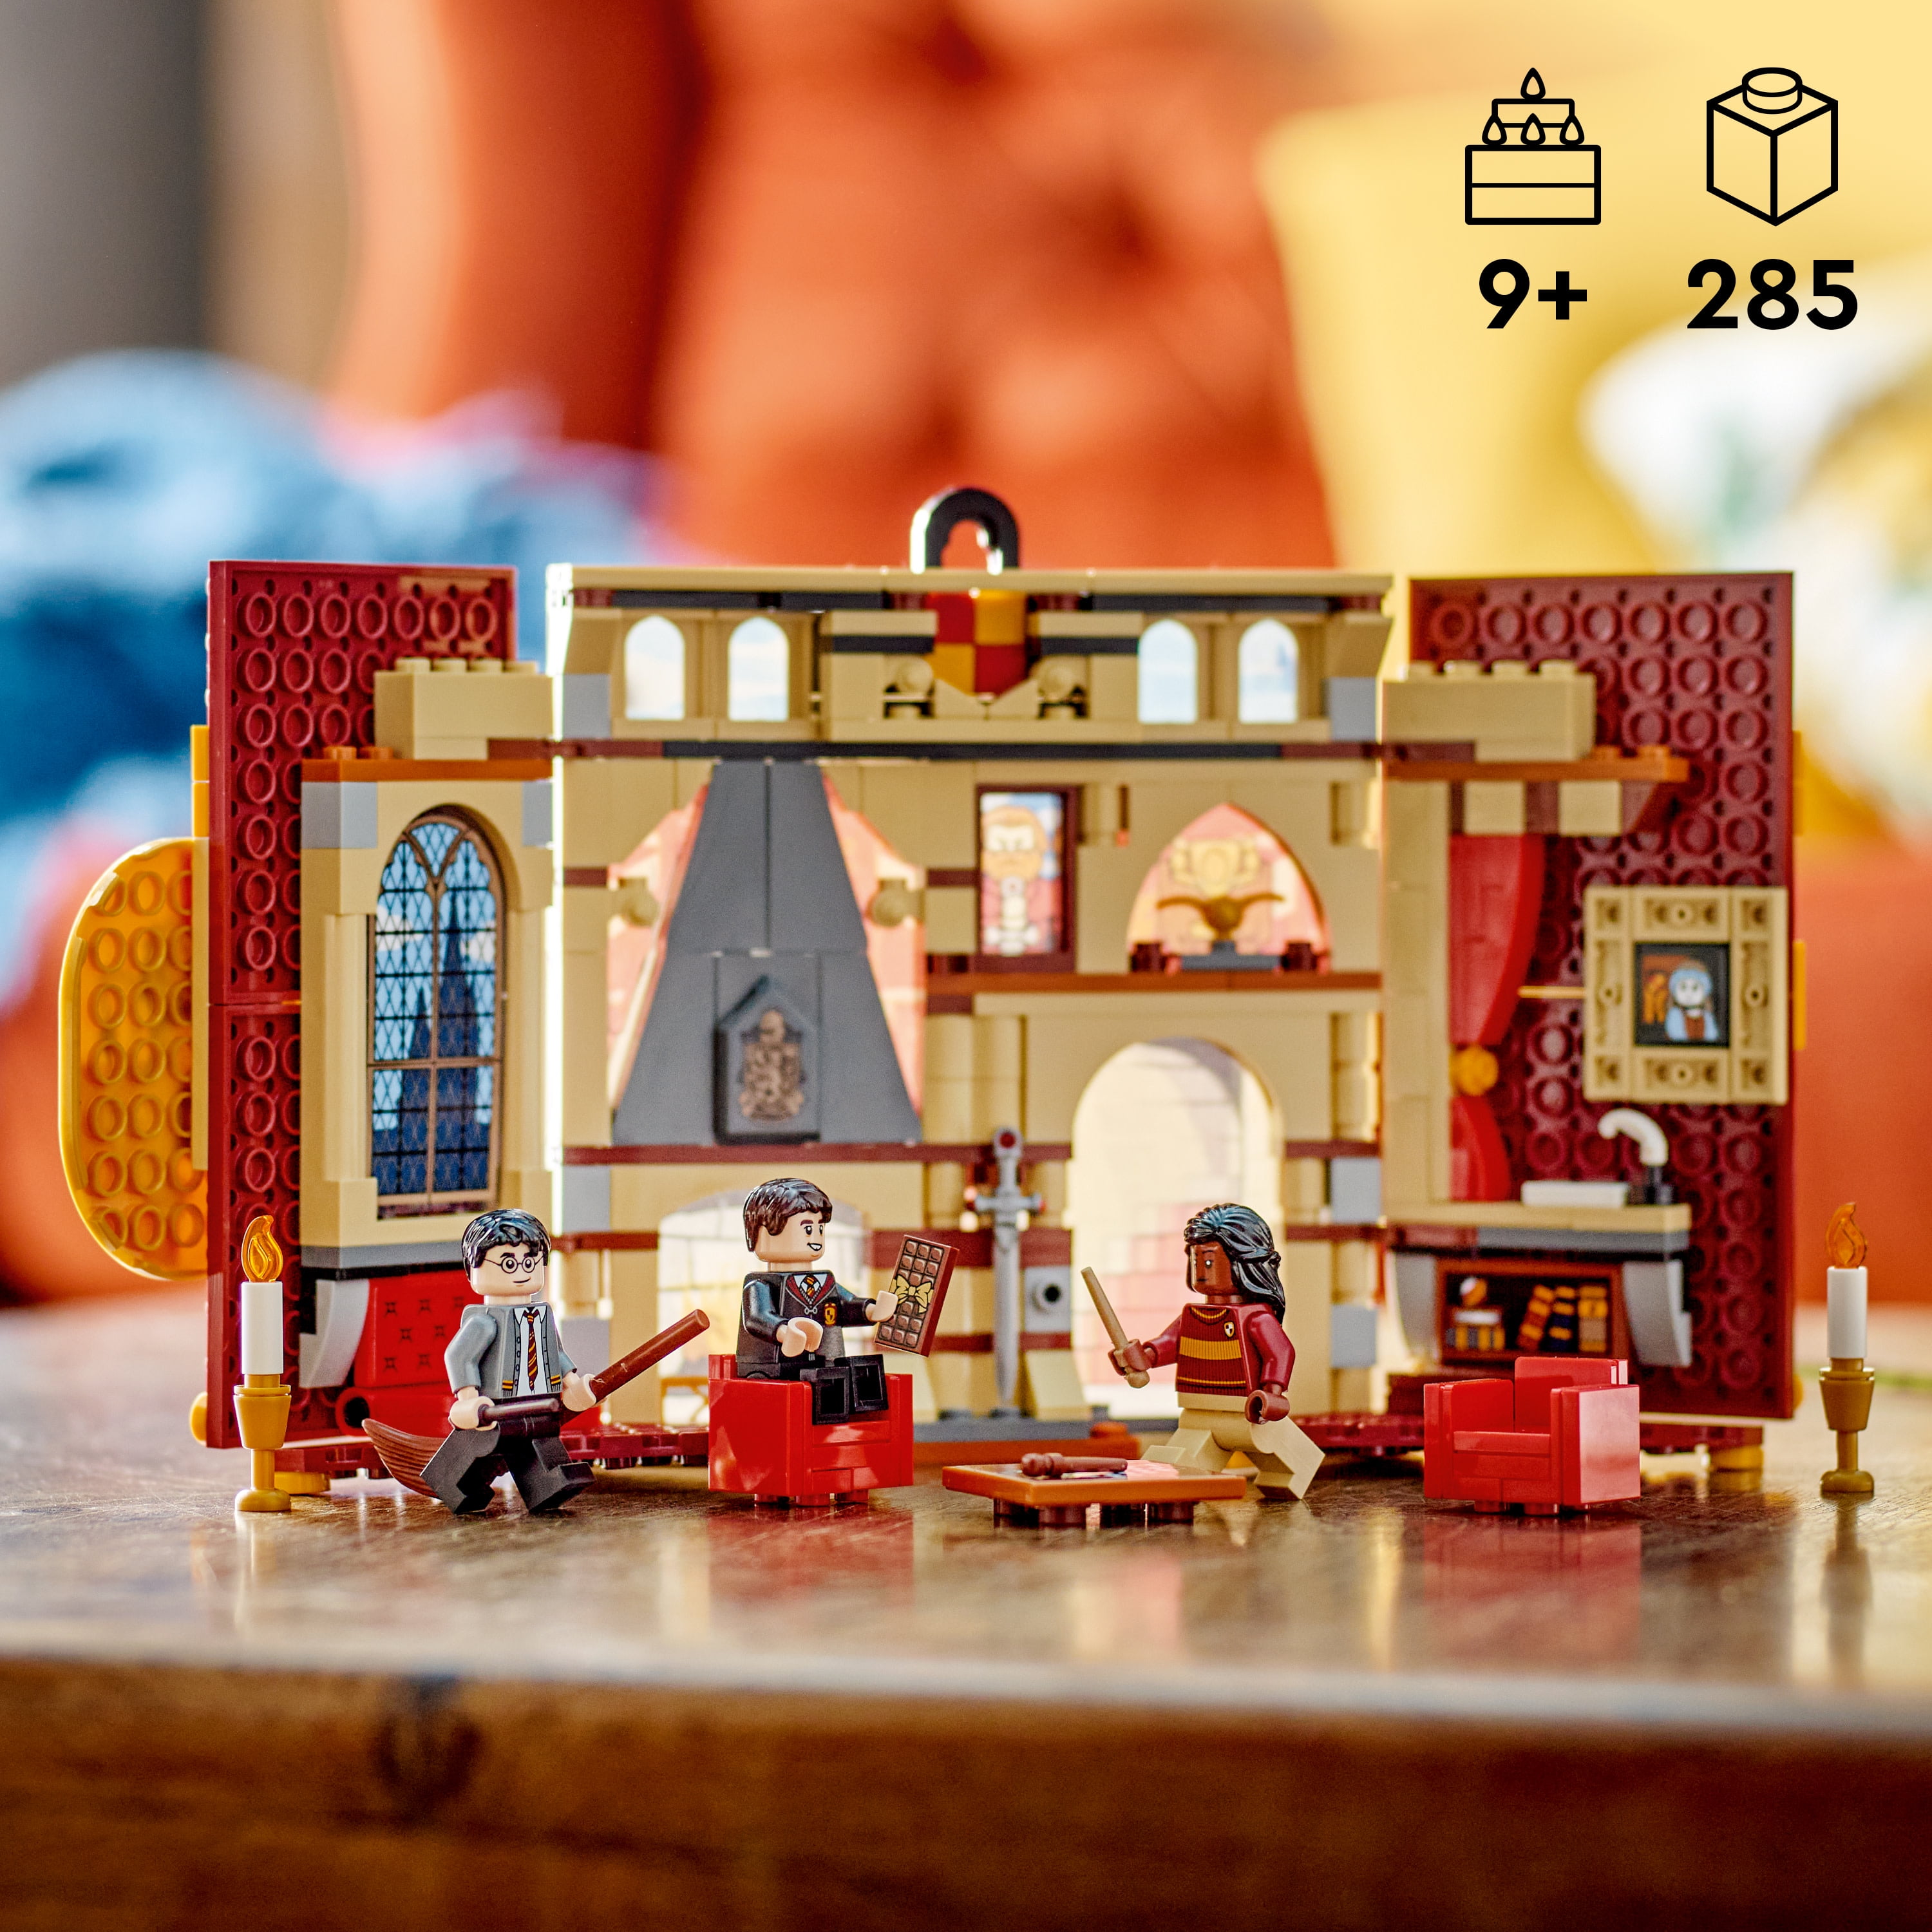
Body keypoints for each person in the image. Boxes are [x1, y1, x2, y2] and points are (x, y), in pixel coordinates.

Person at [1110, 1202, 1323, 1501]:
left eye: (1209, 1261)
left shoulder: (1255, 1317)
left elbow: (1281, 1352)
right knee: (1179, 1460)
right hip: (1199, 1409)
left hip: (1249, 1413)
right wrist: (1142, 1357)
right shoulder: (1194, 1315)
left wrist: (1273, 1392)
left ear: (1242, 1263)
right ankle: (1170, 1493)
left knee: (1290, 1461)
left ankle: (1293, 1471)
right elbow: (1171, 1342)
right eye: (1196, 1261)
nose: (1201, 1272)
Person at [421, 1208, 600, 1515]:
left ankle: (549, 1483)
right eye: (508, 1263)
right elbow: (459, 1355)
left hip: (538, 1402)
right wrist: (468, 1399)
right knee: (479, 1449)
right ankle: (451, 1482)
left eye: (530, 1262)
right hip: (495, 1409)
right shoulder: (485, 1321)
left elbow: (553, 1354)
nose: (521, 1271)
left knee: (539, 1440)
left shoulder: (542, 1316)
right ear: (473, 1269)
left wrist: (572, 1384)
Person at [735, 1178, 898, 1420]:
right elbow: (758, 1318)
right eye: (807, 1229)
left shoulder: (824, 1282)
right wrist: (784, 1332)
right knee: (787, 1411)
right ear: (764, 1232)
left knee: (841, 1401)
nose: (816, 1237)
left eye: (820, 1229)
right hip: (776, 1370)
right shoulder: (760, 1284)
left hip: (828, 1367)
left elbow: (843, 1306)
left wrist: (870, 1310)